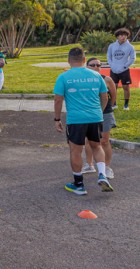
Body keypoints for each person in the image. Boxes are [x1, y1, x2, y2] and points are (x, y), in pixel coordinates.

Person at [54, 47, 113, 195]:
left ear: (68, 60)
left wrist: (57, 119)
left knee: (76, 150)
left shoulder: (63, 77)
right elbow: (104, 97)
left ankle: (79, 184)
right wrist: (99, 111)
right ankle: (102, 174)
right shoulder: (96, 75)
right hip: (95, 117)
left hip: (76, 119)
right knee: (97, 146)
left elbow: (58, 100)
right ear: (84, 60)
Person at [83, 58, 117, 179]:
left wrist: (107, 108)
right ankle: (89, 165)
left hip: (105, 113)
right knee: (88, 140)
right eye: (93, 65)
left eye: (98, 65)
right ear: (87, 66)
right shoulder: (84, 80)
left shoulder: (107, 79)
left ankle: (107, 167)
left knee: (104, 141)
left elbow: (113, 96)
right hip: (90, 113)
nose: (96, 67)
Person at [107, 27, 136, 110]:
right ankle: (114, 104)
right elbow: (109, 57)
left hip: (124, 70)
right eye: (121, 35)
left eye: (125, 35)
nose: (123, 37)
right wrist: (112, 65)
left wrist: (125, 66)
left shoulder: (130, 47)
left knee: (126, 87)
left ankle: (126, 105)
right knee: (113, 87)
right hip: (113, 70)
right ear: (117, 36)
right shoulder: (112, 46)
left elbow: (132, 58)